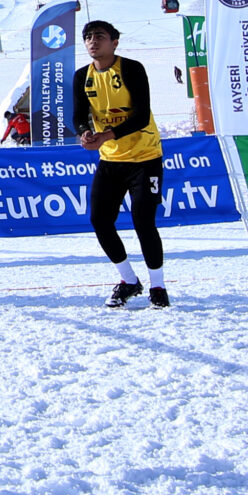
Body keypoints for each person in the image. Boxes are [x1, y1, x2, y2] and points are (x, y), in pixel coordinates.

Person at [72, 21, 168, 309]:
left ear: (114, 42)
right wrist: (84, 134)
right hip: (111, 160)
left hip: (145, 158)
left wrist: (107, 135)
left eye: (99, 36)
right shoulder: (82, 76)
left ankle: (158, 286)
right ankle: (128, 280)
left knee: (143, 221)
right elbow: (78, 115)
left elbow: (140, 115)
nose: (92, 41)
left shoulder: (131, 68)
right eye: (88, 37)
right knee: (99, 221)